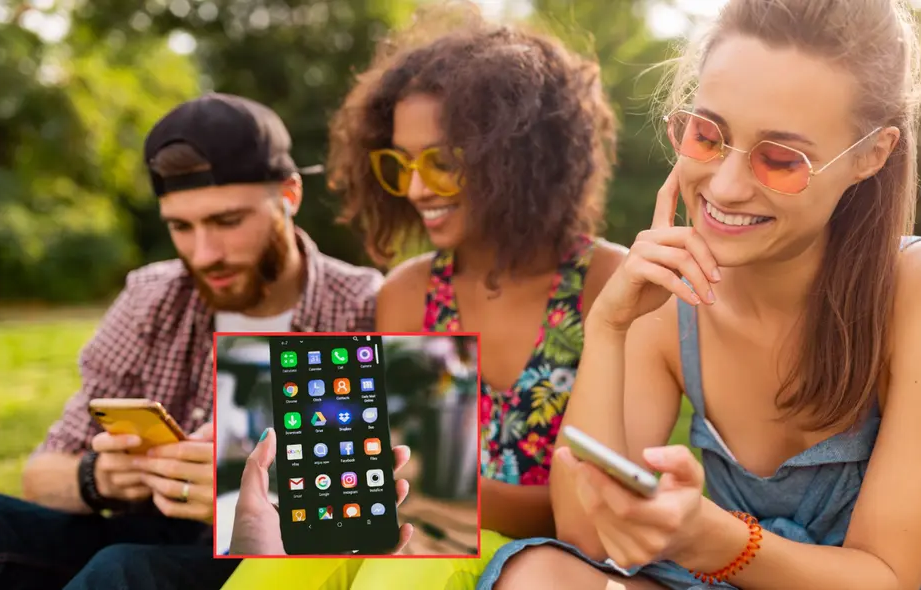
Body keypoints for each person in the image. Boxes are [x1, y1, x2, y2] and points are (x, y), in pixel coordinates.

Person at [478, 0, 921, 589]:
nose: (724, 186)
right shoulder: (667, 298)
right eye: (708, 135)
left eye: (780, 159)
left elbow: (885, 578)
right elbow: (588, 540)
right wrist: (609, 327)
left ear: (872, 156)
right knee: (541, 574)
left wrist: (714, 538)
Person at [220, 2, 626, 588]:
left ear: (517, 159)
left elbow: (593, 504)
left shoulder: (607, 285)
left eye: (440, 163)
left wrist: (421, 489)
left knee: (403, 573)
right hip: (421, 522)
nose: (414, 188)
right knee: (277, 564)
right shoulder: (409, 291)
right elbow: (390, 463)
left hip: (545, 557)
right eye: (399, 164)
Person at [0, 93, 382, 590]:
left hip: (274, 557)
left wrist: (243, 493)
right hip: (147, 529)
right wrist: (100, 478)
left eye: (227, 222)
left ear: (289, 196)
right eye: (181, 226)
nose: (204, 254)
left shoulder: (363, 307)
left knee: (125, 571)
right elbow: (42, 474)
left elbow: (396, 509)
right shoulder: (152, 296)